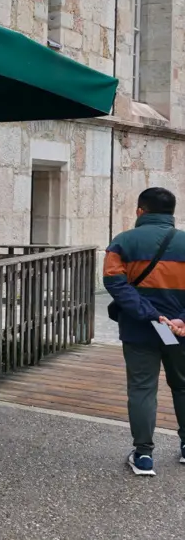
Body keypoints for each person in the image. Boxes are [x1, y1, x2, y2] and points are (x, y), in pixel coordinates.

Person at [103, 187, 185, 477]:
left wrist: (149, 314)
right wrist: (180, 320)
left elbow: (114, 283)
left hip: (139, 329)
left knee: (142, 389)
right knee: (183, 385)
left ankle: (144, 456)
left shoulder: (123, 241)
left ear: (141, 211)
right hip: (179, 331)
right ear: (171, 213)